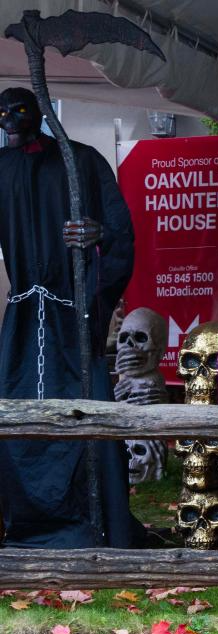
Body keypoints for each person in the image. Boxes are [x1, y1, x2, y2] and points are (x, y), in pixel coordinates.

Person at [0, 87, 139, 548]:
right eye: (0, 112)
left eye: (18, 109)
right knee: (16, 412)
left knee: (87, 407)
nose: (8, 119)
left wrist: (95, 242)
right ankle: (23, 519)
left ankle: (94, 520)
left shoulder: (82, 161)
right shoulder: (1, 168)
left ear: (39, 112)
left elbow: (120, 233)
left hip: (71, 315)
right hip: (23, 318)